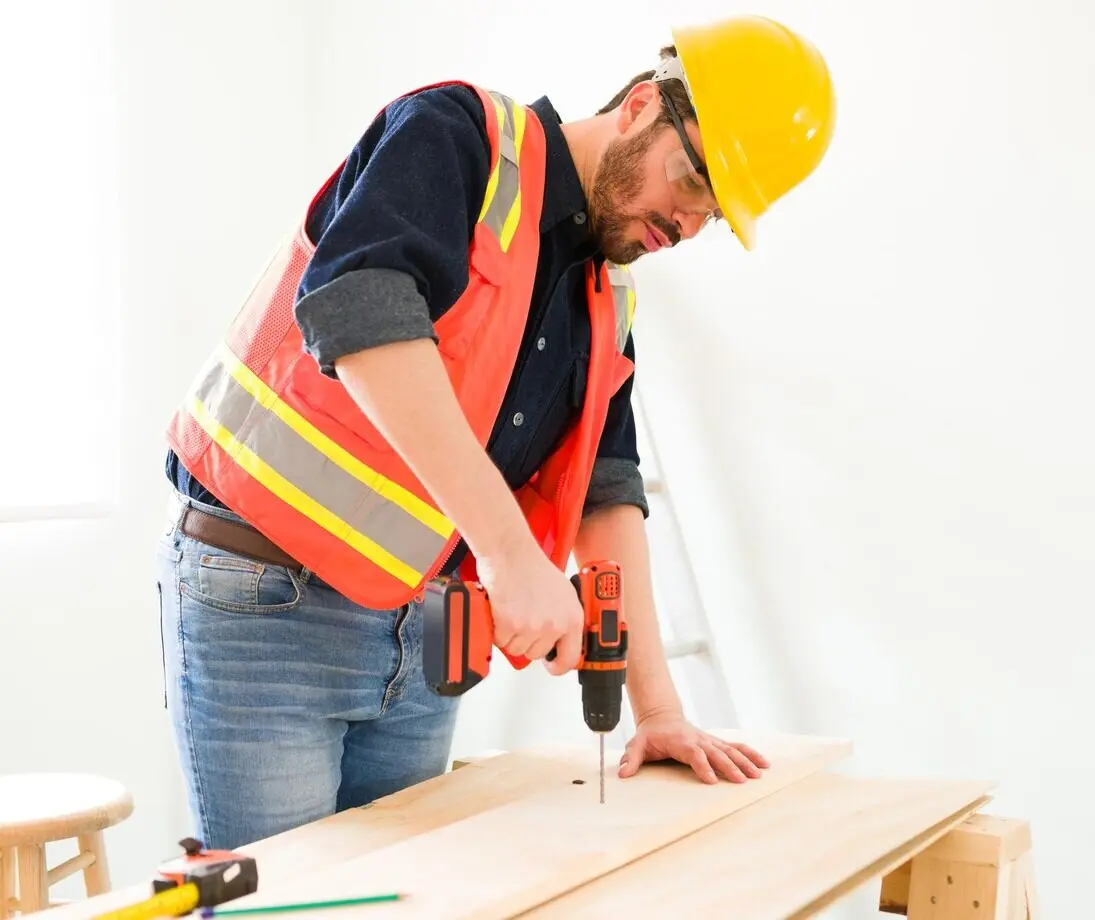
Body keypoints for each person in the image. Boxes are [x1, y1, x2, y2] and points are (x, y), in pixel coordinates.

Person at [155, 14, 835, 850]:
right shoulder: (458, 136)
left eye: (717, 214)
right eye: (692, 180)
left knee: (396, 902)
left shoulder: (608, 294)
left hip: (424, 635)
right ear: (642, 107)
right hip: (268, 606)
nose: (688, 223)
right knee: (281, 904)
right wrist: (512, 556)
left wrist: (657, 712)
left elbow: (607, 491)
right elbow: (358, 311)